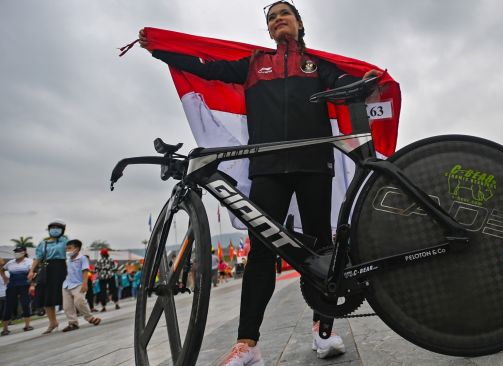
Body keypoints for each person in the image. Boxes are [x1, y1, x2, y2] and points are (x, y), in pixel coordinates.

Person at [138, 2, 379, 364]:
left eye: (285, 13)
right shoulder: (253, 64)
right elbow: (208, 68)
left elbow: (343, 82)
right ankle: (247, 345)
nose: (277, 19)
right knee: (261, 254)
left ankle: (323, 330)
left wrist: (362, 84)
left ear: (299, 23)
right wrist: (160, 49)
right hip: (266, 168)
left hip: (315, 163)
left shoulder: (317, 65)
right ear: (268, 30)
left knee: (323, 252)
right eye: (271, 17)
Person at [28, 219, 68, 334]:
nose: (55, 230)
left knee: (65, 294)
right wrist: (31, 271)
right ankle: (52, 322)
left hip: (61, 268)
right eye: (52, 228)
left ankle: (72, 320)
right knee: (45, 295)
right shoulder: (43, 243)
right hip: (47, 269)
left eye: (58, 228)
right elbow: (38, 257)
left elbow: (70, 255)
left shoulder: (65, 241)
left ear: (62, 230)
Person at [61, 240, 101, 332]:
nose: (68, 250)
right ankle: (73, 323)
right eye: (67, 248)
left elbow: (85, 271)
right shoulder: (67, 259)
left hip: (78, 284)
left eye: (70, 248)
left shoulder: (82, 258)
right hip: (66, 285)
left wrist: (85, 284)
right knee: (67, 306)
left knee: (79, 301)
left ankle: (90, 318)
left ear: (77, 248)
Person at [1, 247, 34, 336]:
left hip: (24, 286)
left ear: (24, 253)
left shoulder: (29, 261)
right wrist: (4, 277)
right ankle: (5, 329)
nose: (16, 253)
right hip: (12, 286)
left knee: (25, 304)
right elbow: (2, 269)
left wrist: (31, 285)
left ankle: (27, 325)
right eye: (15, 252)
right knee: (8, 306)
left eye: (18, 252)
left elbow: (33, 272)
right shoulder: (10, 262)